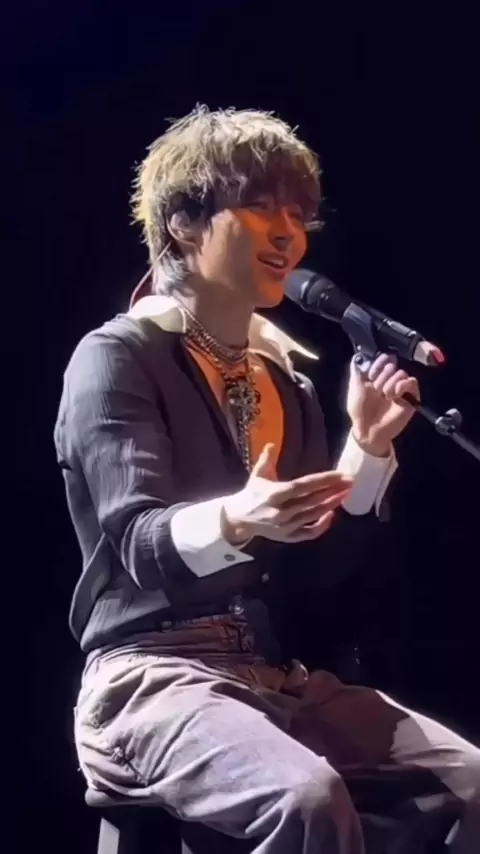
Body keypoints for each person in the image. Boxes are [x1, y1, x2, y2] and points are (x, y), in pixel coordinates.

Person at [54, 106, 479, 853]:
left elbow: (316, 571)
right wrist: (238, 518)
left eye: (297, 215)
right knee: (307, 799)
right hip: (146, 678)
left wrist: (368, 449)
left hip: (272, 673)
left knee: (470, 782)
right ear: (185, 224)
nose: (289, 234)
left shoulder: (286, 380)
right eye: (260, 208)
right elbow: (141, 545)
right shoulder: (116, 356)